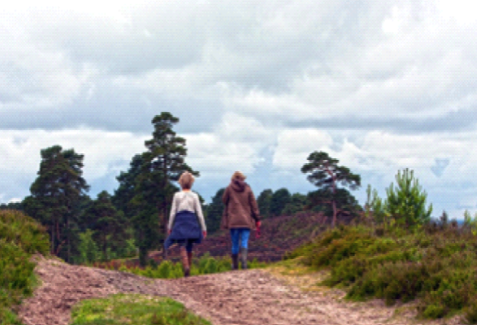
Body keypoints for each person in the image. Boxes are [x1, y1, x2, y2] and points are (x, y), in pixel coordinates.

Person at [164, 172, 207, 277]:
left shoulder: (177, 195)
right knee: (190, 245)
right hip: (191, 219)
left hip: (180, 219)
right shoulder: (194, 196)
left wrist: (170, 227)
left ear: (181, 183)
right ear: (191, 182)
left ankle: (185, 265)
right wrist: (203, 228)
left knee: (181, 243)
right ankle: (189, 269)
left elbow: (173, 212)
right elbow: (200, 214)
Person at [221, 171, 261, 270]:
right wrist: (257, 218)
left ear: (233, 178)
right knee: (244, 242)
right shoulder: (248, 189)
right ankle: (244, 260)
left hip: (233, 220)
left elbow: (224, 200)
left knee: (234, 243)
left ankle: (235, 265)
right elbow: (254, 205)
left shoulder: (229, 188)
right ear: (243, 178)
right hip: (246, 220)